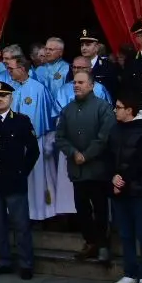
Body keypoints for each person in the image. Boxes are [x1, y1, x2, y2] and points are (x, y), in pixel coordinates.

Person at [54, 67, 114, 263]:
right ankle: (90, 242)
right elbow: (60, 137)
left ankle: (103, 245)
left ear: (91, 85)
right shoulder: (67, 110)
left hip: (97, 169)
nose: (76, 86)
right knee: (82, 209)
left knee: (100, 208)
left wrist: (86, 155)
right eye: (75, 83)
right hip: (77, 170)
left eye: (80, 82)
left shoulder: (102, 107)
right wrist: (73, 153)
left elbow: (104, 137)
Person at [0, 81, 39, 279]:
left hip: (14, 181)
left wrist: (22, 171)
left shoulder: (21, 121)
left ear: (11, 98)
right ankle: (4, 260)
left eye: (3, 96)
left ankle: (26, 263)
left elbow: (33, 150)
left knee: (21, 224)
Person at [105, 92, 142, 283]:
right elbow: (109, 156)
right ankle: (129, 273)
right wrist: (113, 177)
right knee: (125, 234)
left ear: (129, 110)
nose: (115, 110)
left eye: (118, 107)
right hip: (119, 190)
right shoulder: (115, 129)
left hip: (139, 190)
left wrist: (122, 179)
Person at [7, 53, 65, 221]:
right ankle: (19, 213)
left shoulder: (38, 89)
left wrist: (48, 142)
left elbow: (48, 117)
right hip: (13, 143)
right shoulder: (10, 87)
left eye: (11, 68)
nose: (9, 71)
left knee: (38, 180)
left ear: (22, 68)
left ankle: (41, 214)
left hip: (35, 141)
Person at [79, 32, 120, 101]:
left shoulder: (108, 66)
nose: (84, 48)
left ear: (97, 47)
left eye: (88, 45)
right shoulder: (75, 67)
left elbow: (114, 91)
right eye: (82, 45)